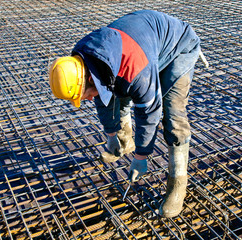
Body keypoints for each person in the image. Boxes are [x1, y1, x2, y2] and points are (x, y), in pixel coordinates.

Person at [49, 10, 202, 218]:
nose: (83, 100)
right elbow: (101, 96)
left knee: (173, 114)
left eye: (81, 96)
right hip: (144, 45)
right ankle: (124, 141)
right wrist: (111, 135)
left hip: (178, 47)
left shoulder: (134, 69)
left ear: (89, 80)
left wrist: (141, 156)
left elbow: (148, 112)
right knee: (115, 90)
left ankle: (178, 185)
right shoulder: (84, 58)